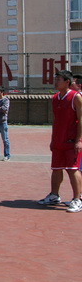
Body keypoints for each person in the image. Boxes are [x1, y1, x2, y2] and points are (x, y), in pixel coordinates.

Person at [38, 70, 82, 213]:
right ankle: (54, 195)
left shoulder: (76, 97)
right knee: (56, 169)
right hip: (58, 140)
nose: (55, 82)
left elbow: (81, 119)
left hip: (71, 141)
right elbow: (56, 121)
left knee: (72, 170)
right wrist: (53, 139)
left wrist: (79, 140)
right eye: (55, 79)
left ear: (67, 82)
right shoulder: (55, 98)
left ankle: (77, 199)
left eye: (58, 80)